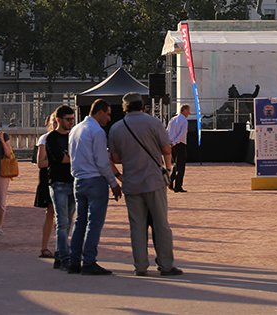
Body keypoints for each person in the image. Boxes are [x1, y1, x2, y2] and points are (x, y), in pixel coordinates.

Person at [108, 92, 182, 276]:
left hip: (131, 182)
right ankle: (166, 265)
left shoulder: (117, 128)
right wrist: (168, 169)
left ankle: (140, 266)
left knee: (137, 226)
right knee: (161, 224)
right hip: (153, 180)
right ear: (142, 105)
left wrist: (121, 173)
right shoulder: (153, 122)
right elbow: (166, 148)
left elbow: (114, 157)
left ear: (124, 107)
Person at [69, 99, 122, 275]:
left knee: (80, 222)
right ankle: (89, 261)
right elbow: (102, 161)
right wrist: (113, 183)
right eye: (107, 114)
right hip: (95, 180)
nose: (108, 118)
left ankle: (74, 260)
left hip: (79, 180)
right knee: (94, 223)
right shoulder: (97, 132)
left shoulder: (75, 129)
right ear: (99, 112)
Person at [45, 104, 76, 269]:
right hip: (58, 183)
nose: (71, 122)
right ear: (58, 120)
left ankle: (59, 254)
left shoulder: (72, 136)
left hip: (72, 182)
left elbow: (70, 157)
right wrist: (77, 157)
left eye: (72, 119)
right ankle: (65, 257)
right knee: (62, 222)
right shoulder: (51, 138)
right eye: (68, 119)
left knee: (67, 222)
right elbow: (62, 159)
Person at [35, 113, 56, 258]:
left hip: (66, 178)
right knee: (51, 212)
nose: (56, 125)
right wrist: (59, 160)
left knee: (65, 214)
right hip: (49, 179)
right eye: (54, 122)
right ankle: (45, 247)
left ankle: (61, 246)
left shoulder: (69, 136)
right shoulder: (45, 138)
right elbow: (40, 163)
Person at [167, 104, 190, 192]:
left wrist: (170, 142)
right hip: (179, 144)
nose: (189, 113)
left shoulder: (172, 119)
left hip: (172, 145)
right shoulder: (184, 120)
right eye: (188, 110)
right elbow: (182, 134)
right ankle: (178, 186)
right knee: (180, 166)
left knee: (176, 164)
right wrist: (175, 142)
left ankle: (170, 181)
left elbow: (167, 131)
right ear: (183, 110)